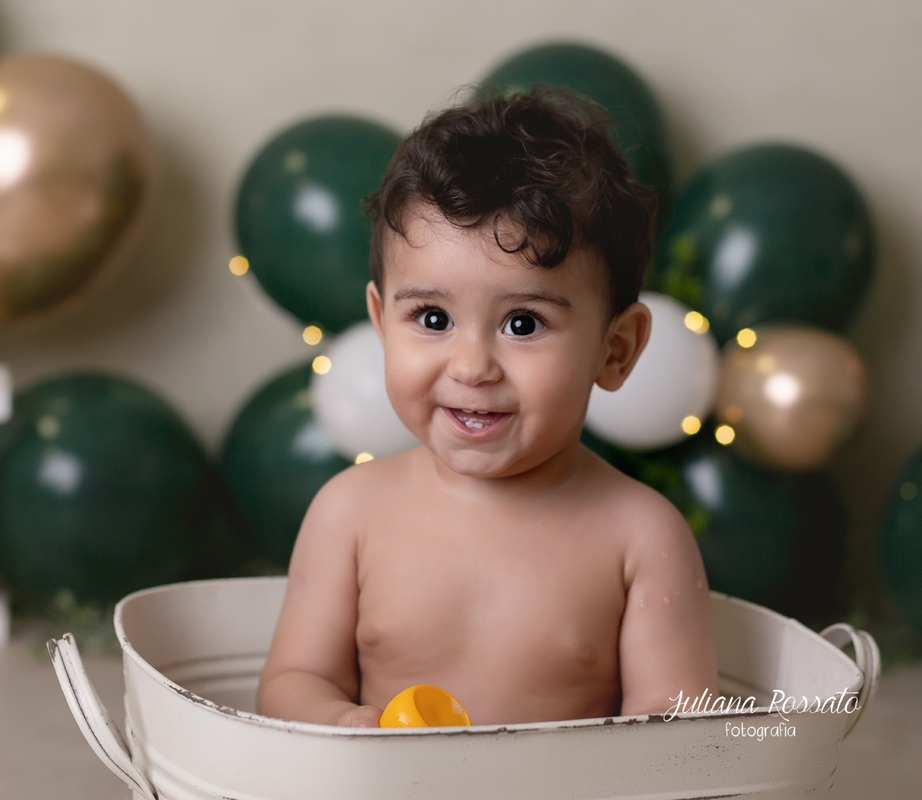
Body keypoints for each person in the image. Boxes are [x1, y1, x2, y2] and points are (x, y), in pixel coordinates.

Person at [256, 87, 718, 727]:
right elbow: (293, 680)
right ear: (381, 324)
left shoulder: (640, 537)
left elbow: (677, 727)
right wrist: (341, 722)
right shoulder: (349, 514)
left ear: (615, 351)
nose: (472, 367)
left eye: (523, 324)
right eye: (433, 317)